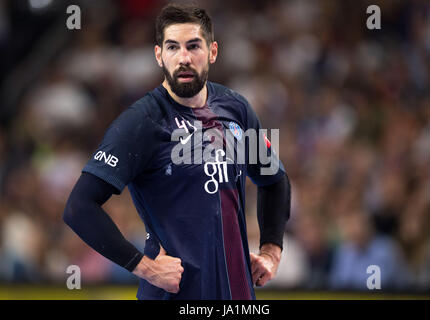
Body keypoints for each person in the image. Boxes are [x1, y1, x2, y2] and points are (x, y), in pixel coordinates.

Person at [63, 3, 291, 300]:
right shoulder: (142, 123)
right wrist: (144, 267)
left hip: (236, 294)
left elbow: (275, 180)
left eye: (193, 46)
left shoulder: (236, 109)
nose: (183, 58)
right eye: (173, 47)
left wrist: (271, 249)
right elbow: (79, 207)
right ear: (159, 55)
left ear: (212, 52)